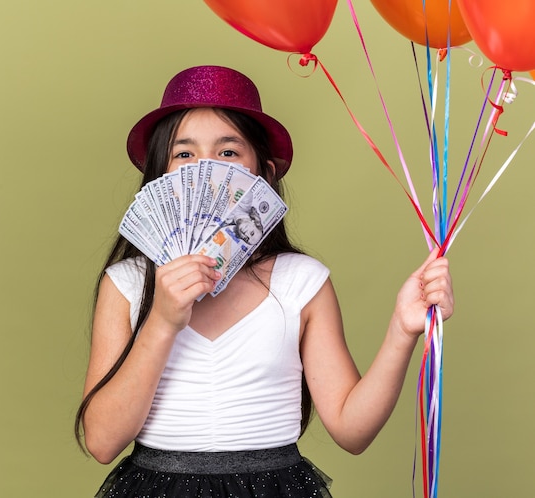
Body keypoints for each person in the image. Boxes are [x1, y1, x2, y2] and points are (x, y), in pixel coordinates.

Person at [75, 65, 454, 498]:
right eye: (184, 155)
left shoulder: (302, 282)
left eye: (228, 153)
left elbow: (353, 430)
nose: (205, 170)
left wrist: (402, 331)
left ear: (266, 175)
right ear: (161, 179)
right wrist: (162, 320)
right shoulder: (126, 284)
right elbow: (102, 442)